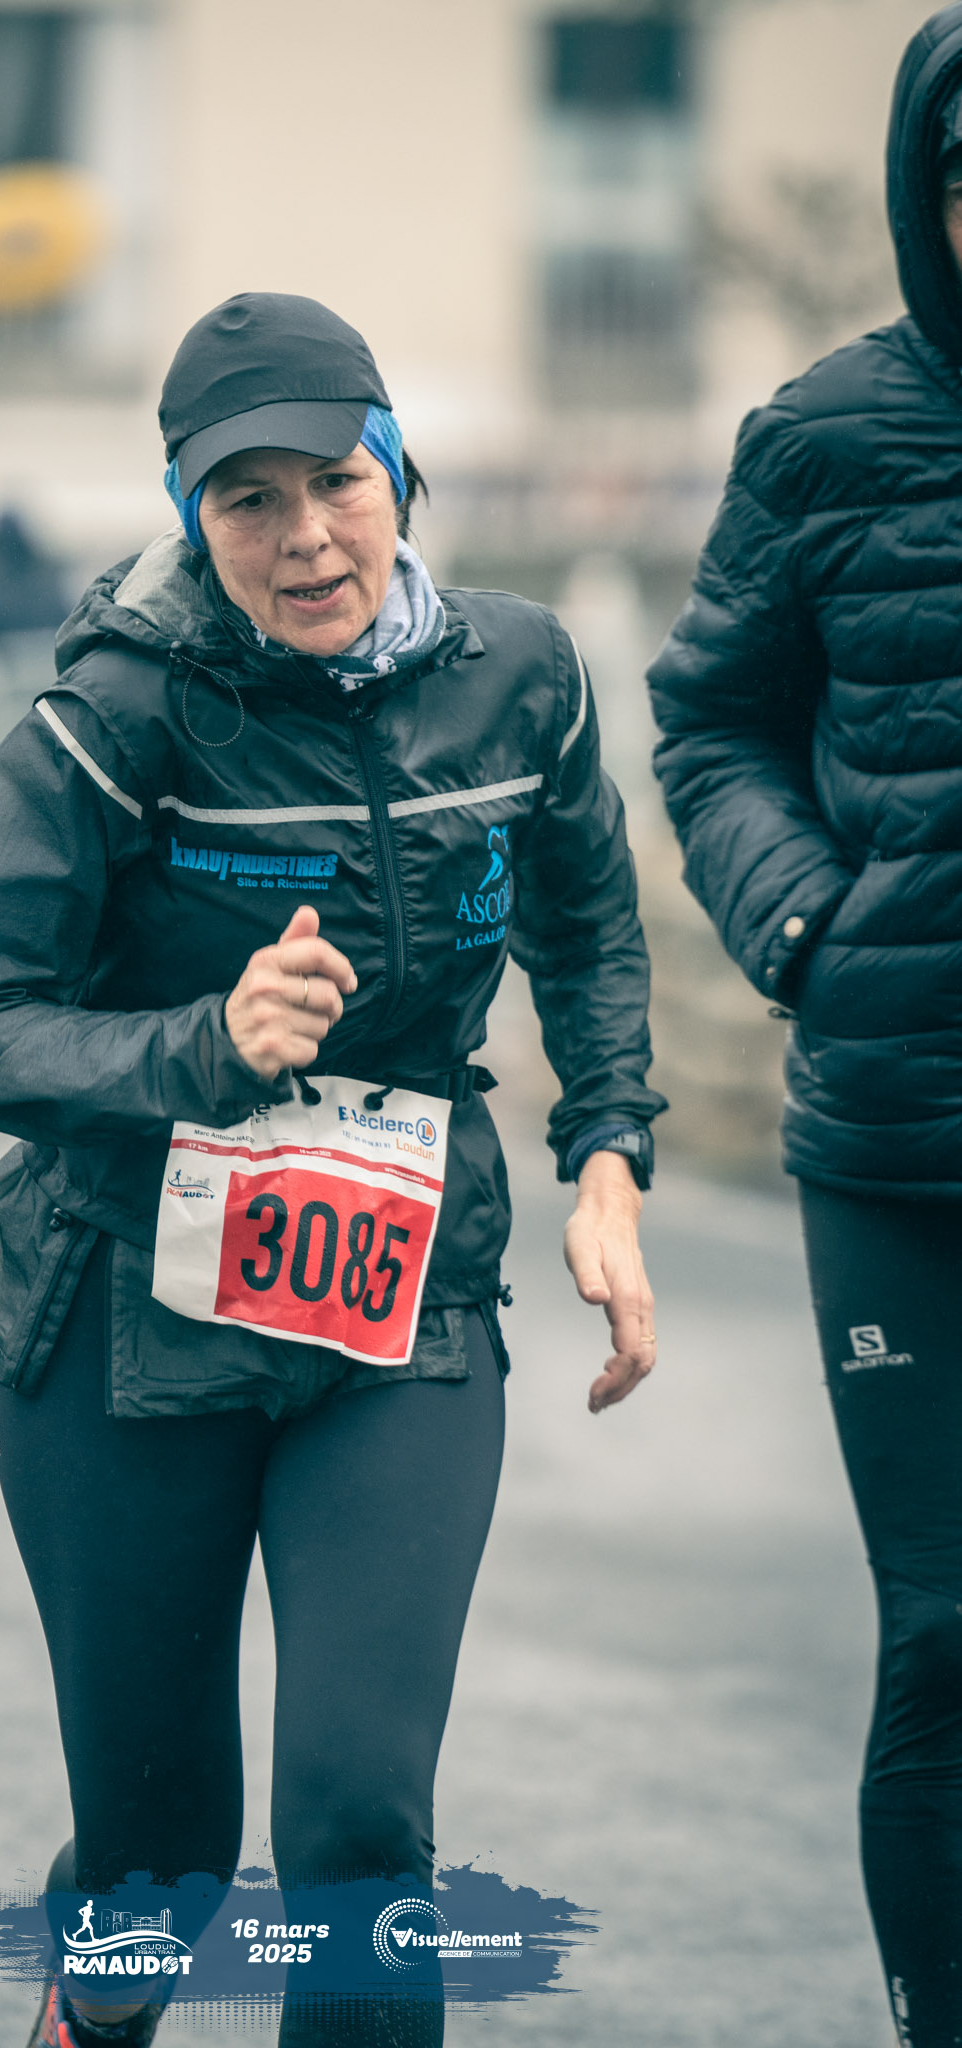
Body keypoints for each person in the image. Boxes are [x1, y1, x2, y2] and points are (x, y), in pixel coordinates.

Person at [0, 291, 665, 2048]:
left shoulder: (522, 676)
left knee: (355, 1830)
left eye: (335, 480)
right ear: (192, 521)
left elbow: (587, 926)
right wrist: (205, 1042)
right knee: (159, 1860)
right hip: (122, 1319)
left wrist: (607, 1154)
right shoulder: (112, 716)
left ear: (397, 470)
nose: (304, 535)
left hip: (397, 1310)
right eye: (245, 501)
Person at [647, 12, 962, 2044]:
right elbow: (706, 716)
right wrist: (798, 921)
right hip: (896, 1144)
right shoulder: (822, 437)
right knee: (943, 1637)